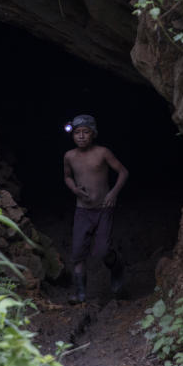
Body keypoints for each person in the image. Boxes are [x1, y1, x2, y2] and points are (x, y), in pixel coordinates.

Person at [63, 114, 129, 303]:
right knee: (77, 253)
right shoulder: (69, 156)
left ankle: (117, 268)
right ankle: (80, 293)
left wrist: (113, 193)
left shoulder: (102, 152)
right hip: (82, 209)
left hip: (103, 209)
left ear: (93, 134)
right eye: (77, 133)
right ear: (73, 135)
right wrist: (74, 188)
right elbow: (67, 176)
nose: (81, 136)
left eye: (86, 132)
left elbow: (123, 172)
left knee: (102, 251)